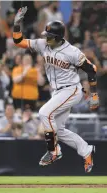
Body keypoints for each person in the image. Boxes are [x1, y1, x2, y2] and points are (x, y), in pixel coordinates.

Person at [13, 7, 99, 173]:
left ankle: (54, 151)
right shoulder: (42, 44)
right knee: (58, 130)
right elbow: (19, 42)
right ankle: (86, 150)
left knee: (44, 113)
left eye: (50, 37)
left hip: (71, 90)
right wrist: (17, 24)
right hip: (57, 92)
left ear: (59, 38)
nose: (47, 39)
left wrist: (94, 94)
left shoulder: (72, 52)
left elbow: (91, 69)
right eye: (47, 36)